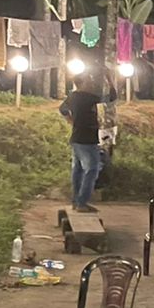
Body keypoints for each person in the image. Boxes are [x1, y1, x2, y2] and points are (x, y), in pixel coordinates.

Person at [59, 71, 116, 212]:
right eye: (88, 80)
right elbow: (111, 98)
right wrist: (110, 80)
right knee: (92, 169)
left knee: (77, 170)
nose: (91, 83)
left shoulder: (72, 97)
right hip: (87, 139)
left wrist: (70, 120)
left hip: (77, 137)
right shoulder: (88, 97)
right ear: (83, 83)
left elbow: (62, 109)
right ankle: (81, 202)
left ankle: (76, 201)